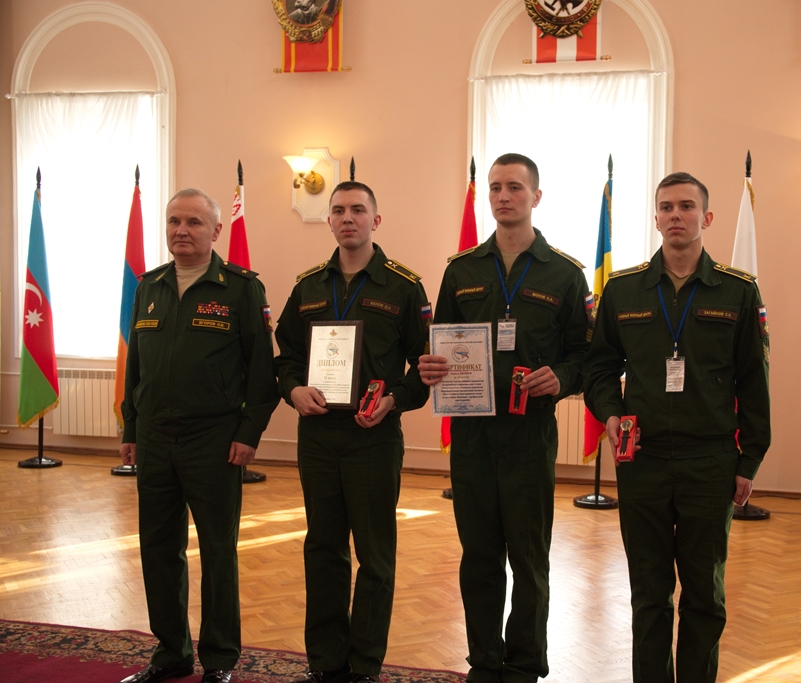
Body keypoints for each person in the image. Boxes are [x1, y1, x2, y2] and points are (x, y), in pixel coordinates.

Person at [583, 172, 771, 683]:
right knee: (648, 592)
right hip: (640, 461)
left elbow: (754, 383)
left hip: (709, 462)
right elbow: (600, 366)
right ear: (656, 217)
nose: (675, 216)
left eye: (686, 207)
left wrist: (748, 461)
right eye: (665, 207)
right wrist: (611, 412)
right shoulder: (623, 290)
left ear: (706, 218)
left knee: (704, 594)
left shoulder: (737, 291)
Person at [418, 154, 590, 683]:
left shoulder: (565, 272)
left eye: (514, 187)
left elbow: (586, 357)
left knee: (529, 555)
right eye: (495, 187)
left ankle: (523, 662)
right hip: (472, 434)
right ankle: (485, 660)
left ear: (536, 197)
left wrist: (561, 378)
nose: (502, 196)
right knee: (479, 555)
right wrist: (429, 365)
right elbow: (439, 341)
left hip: (529, 434)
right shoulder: (461, 269)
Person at [118, 189, 280, 683]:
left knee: (216, 549)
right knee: (158, 548)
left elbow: (262, 372)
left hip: (214, 439)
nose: (180, 230)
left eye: (192, 222)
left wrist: (249, 433)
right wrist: (131, 427)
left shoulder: (240, 288)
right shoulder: (149, 285)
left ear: (216, 231)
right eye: (173, 221)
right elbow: (137, 366)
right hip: (154, 438)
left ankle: (219, 660)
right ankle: (170, 653)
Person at [275, 181, 431, 683]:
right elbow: (287, 360)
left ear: (375, 221)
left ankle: (365, 665)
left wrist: (394, 401)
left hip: (373, 437)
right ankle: (325, 662)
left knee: (374, 554)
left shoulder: (405, 287)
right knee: (322, 547)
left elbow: (422, 367)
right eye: (338, 210)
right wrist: (294, 391)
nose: (348, 218)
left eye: (358, 210)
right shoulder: (308, 286)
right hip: (318, 435)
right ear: (330, 221)